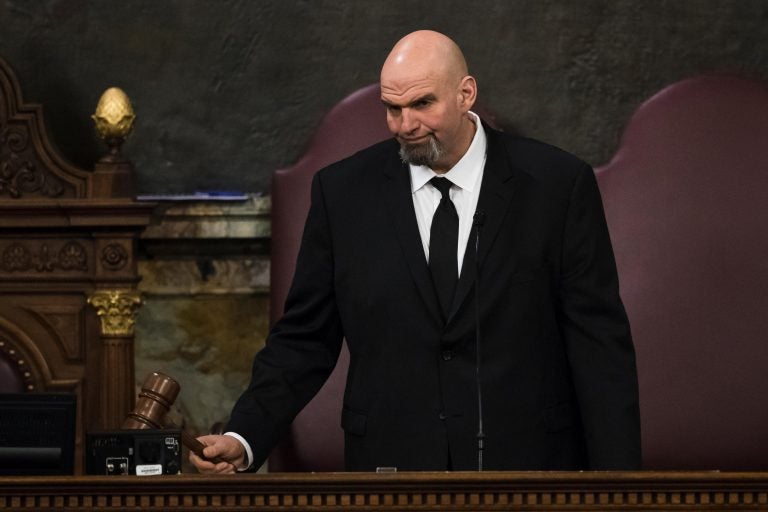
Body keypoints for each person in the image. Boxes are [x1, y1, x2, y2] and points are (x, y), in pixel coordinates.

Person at [190, 30, 641, 473]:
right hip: (391, 470)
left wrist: (620, 488)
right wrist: (244, 436)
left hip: (525, 467)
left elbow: (598, 345)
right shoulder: (344, 194)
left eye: (423, 104)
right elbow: (305, 336)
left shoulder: (556, 186)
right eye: (392, 108)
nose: (405, 126)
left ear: (466, 94)